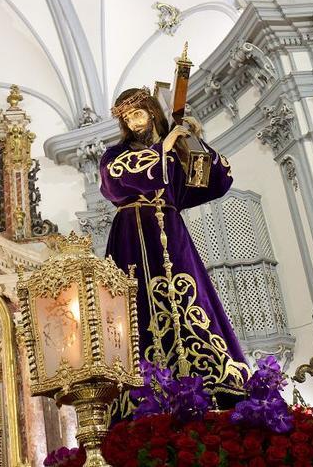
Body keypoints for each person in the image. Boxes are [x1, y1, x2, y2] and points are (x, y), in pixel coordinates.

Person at [100, 87, 248, 418]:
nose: (133, 122)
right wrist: (162, 147)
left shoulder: (175, 150)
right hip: (131, 235)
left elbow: (214, 181)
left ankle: (209, 387)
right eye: (127, 118)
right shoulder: (114, 154)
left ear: (153, 113)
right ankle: (142, 393)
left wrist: (194, 139)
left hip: (171, 231)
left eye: (138, 114)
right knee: (134, 309)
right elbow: (115, 182)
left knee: (190, 300)